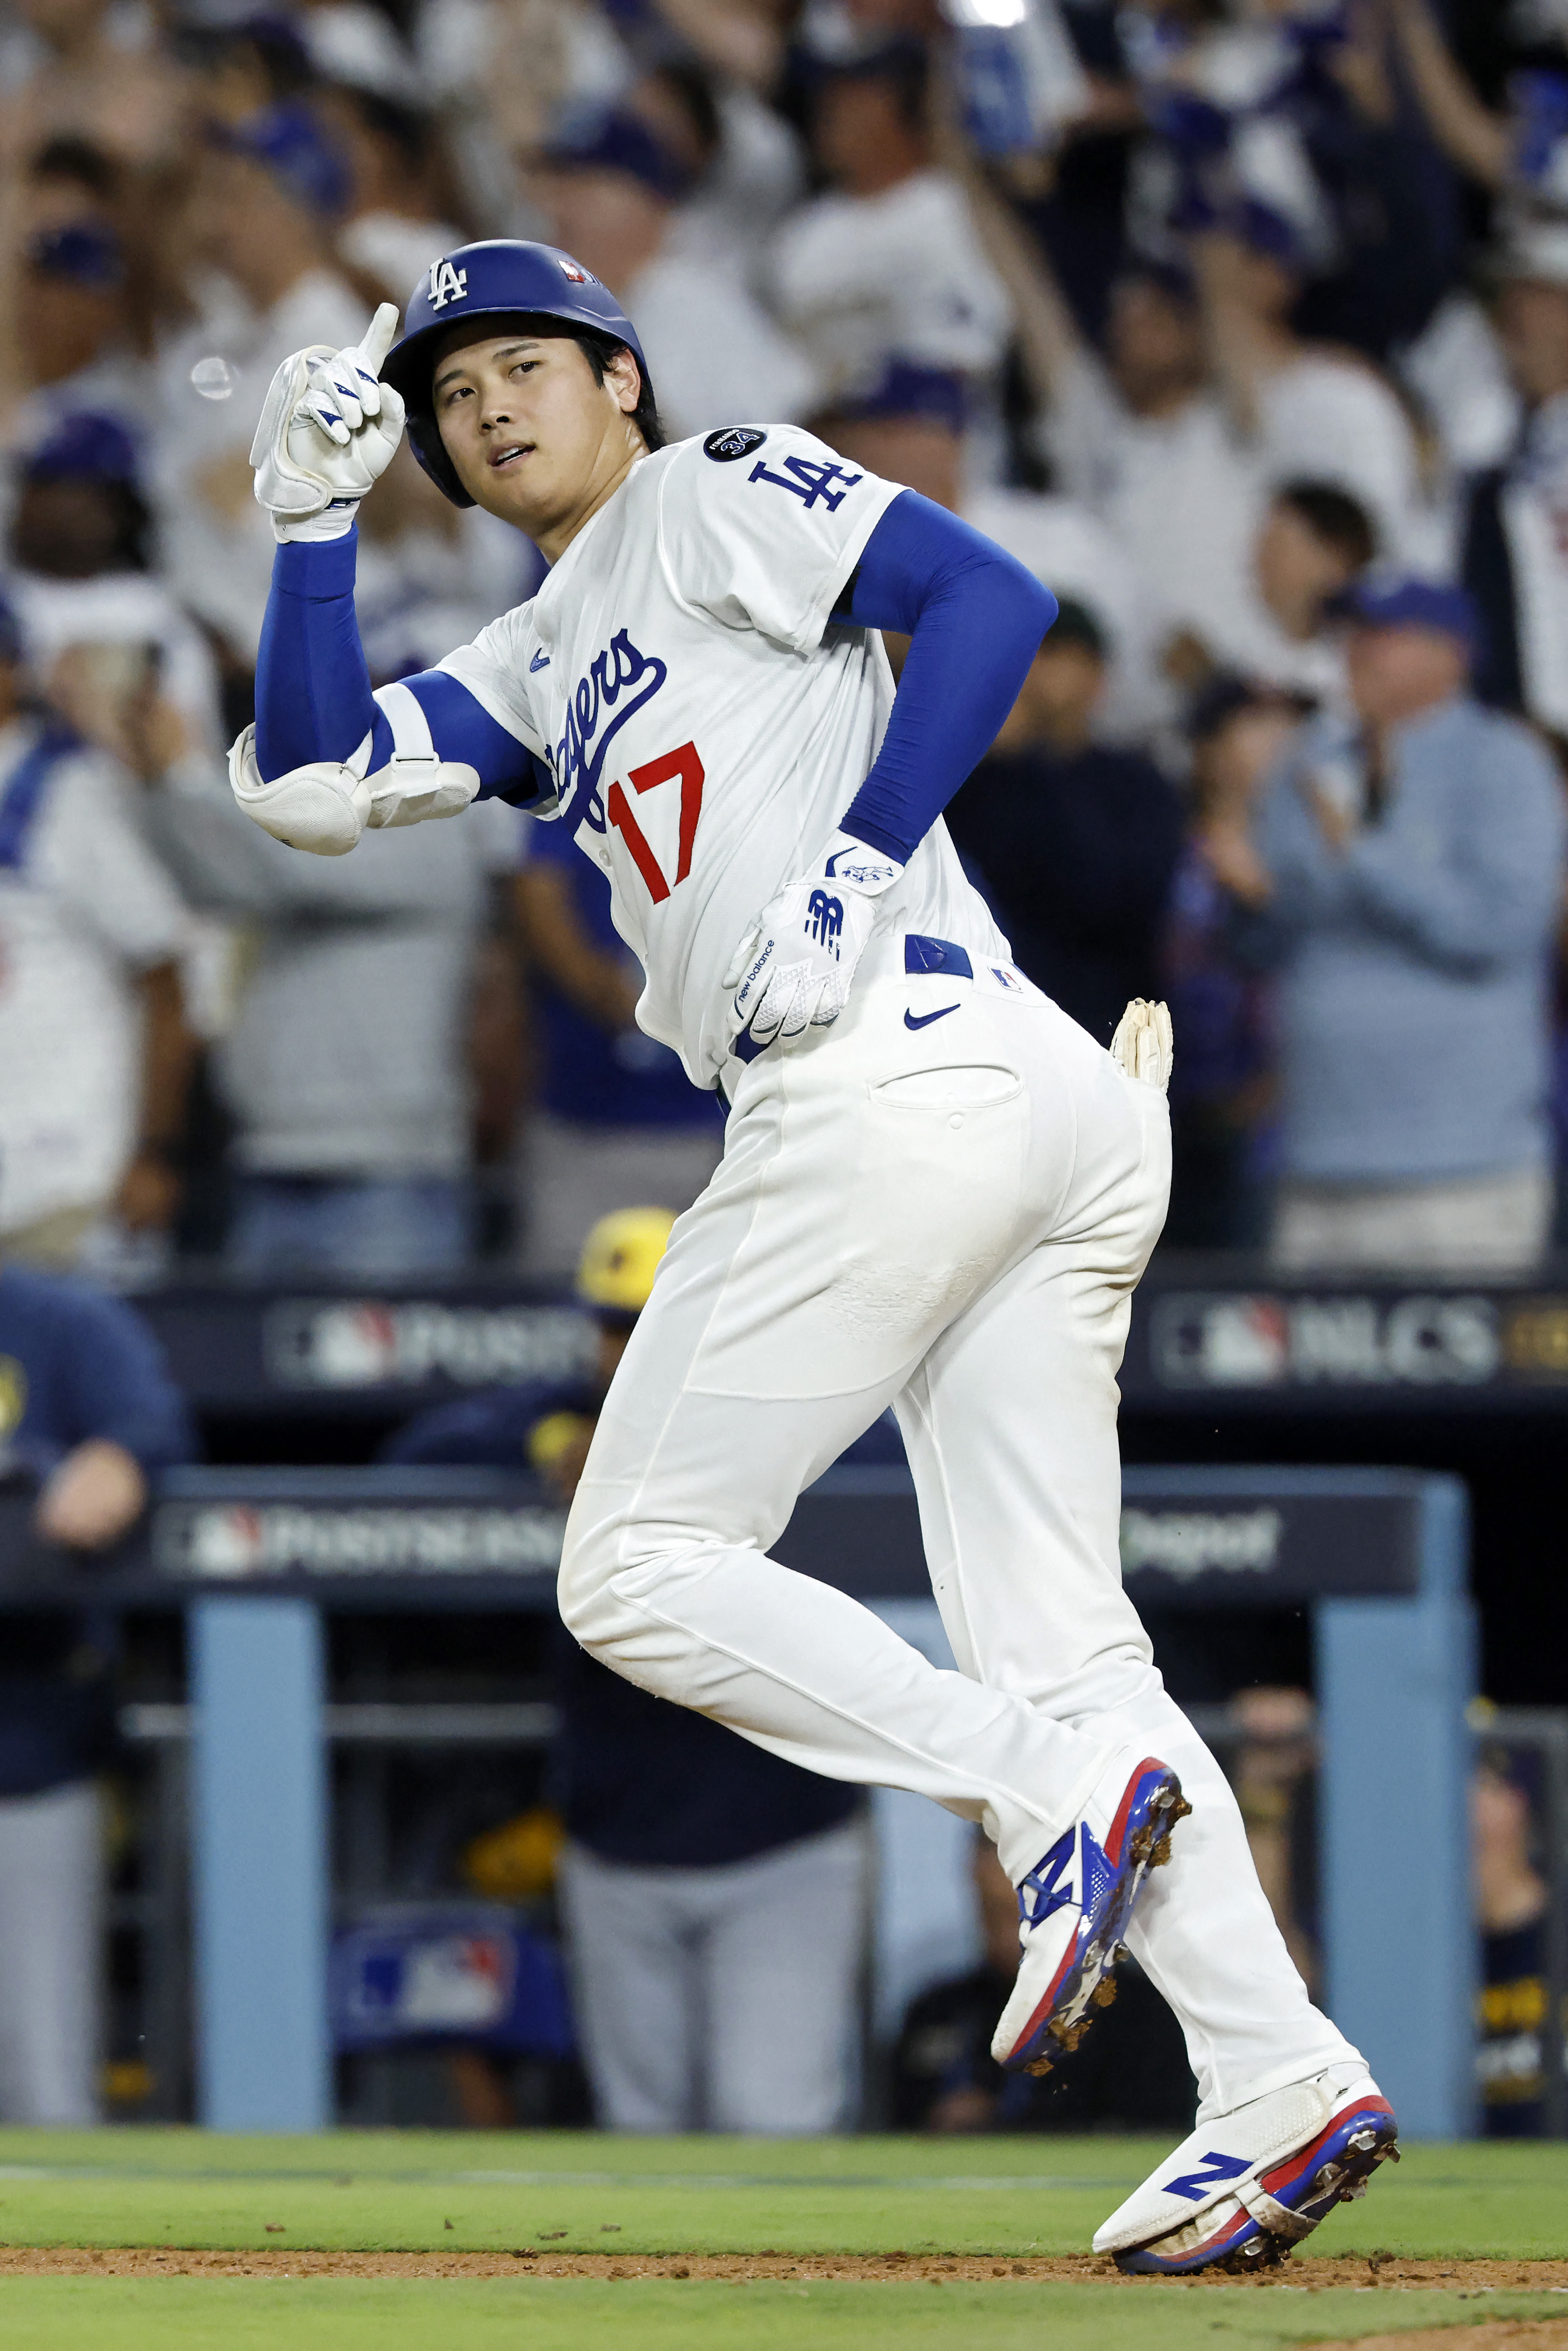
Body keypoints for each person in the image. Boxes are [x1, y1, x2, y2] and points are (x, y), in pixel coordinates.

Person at [230, 237, 1396, 2271]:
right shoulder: (536, 650)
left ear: (621, 375)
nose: (485, 408)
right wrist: (309, 532)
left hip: (889, 1074)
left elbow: (989, 596)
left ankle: (1031, 1794)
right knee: (1069, 1647)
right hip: (1015, 1104)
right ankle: (1276, 2071)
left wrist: (851, 862)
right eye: (449, 396)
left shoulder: (705, 484)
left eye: (524, 365)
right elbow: (312, 782)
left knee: (631, 1566)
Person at [386, 1206, 867, 2132]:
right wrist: (549, 1448)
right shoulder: (566, 1417)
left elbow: (886, 1463)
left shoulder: (789, 1411)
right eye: (615, 1325)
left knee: (773, 2118)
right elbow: (414, 1460)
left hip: (784, 1836)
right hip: (617, 1839)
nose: (629, 1347)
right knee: (643, 2127)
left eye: (652, 1323)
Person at [1251, 576, 1567, 1274]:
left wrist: (1361, 854)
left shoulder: (1504, 762)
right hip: (1319, 1161)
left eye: (1380, 635)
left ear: (1449, 654)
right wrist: (1248, 897)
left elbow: (1499, 930)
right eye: (1351, 635)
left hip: (1464, 1168)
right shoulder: (1307, 761)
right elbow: (1273, 930)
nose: (1357, 652)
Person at [0, 1260, 194, 2122]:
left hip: (29, 1743)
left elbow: (155, 1422)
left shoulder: (56, 1318)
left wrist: (118, 1454)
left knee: (45, 2083)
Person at [0, 591, 194, 1268]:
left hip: (67, 1181)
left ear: (11, 670)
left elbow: (164, 975)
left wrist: (152, 1152)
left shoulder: (70, 790)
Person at [943, 599, 1183, 1048]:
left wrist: (1030, 760)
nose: (1036, 673)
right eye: (1028, 656)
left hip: (1107, 1024)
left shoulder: (1136, 784)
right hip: (993, 1020)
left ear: (1097, 677)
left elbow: (1107, 893)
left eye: (1055, 657)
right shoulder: (980, 774)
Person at [513, 822, 724, 1277]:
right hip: (585, 1127)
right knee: (570, 1304)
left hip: (716, 1129)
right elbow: (537, 888)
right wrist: (598, 985)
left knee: (714, 1306)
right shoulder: (580, 778)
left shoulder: (744, 786)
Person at [890, 1829, 1194, 2136]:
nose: (1005, 1937)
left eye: (1018, 1916)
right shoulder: (938, 2012)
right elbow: (894, 2126)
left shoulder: (1138, 2016)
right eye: (990, 1914)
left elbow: (1153, 2132)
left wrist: (1000, 2123)